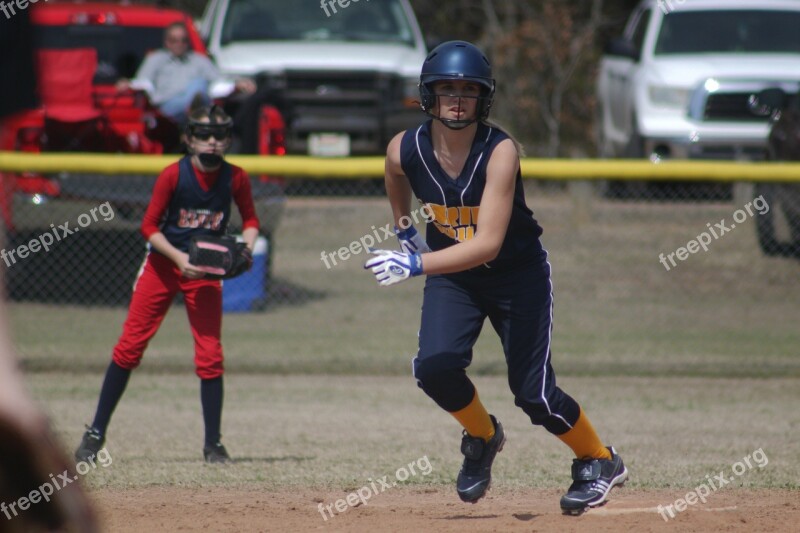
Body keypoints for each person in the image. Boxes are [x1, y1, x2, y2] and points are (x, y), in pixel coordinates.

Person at [364, 41, 628, 515]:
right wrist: (404, 228)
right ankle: (483, 436)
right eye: (447, 89)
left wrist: (415, 264)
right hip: (455, 277)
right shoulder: (406, 147)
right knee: (434, 368)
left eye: (470, 90)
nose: (458, 99)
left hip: (516, 276)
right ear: (429, 95)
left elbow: (486, 244)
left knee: (534, 395)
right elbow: (393, 171)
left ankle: (599, 460)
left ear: (485, 98)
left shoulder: (500, 151)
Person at [75, 105, 260, 464]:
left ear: (228, 141)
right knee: (130, 348)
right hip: (163, 265)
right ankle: (95, 433)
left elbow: (251, 220)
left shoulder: (235, 177)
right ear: (189, 139)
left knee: (210, 355)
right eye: (203, 135)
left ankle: (213, 445)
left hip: (205, 271)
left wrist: (245, 251)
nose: (211, 142)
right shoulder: (173, 176)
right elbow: (148, 227)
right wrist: (179, 259)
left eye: (219, 135)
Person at [117, 22, 255, 125]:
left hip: (200, 106)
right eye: (174, 40)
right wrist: (128, 83)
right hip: (166, 108)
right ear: (166, 42)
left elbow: (218, 81)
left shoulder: (199, 60)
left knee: (200, 83)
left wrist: (238, 84)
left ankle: (195, 112)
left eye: (183, 40)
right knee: (199, 88)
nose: (179, 44)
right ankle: (195, 111)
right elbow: (143, 82)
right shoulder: (155, 59)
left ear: (188, 42)